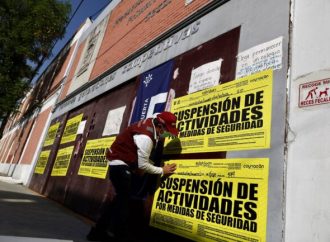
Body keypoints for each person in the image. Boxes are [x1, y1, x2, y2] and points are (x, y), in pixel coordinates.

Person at [87, 111, 179, 242]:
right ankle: (118, 235)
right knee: (123, 205)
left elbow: (158, 114)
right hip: (120, 166)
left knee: (118, 201)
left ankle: (97, 232)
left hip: (120, 164)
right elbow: (143, 166)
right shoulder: (146, 138)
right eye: (167, 131)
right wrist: (162, 170)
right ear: (160, 126)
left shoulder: (154, 120)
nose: (167, 135)